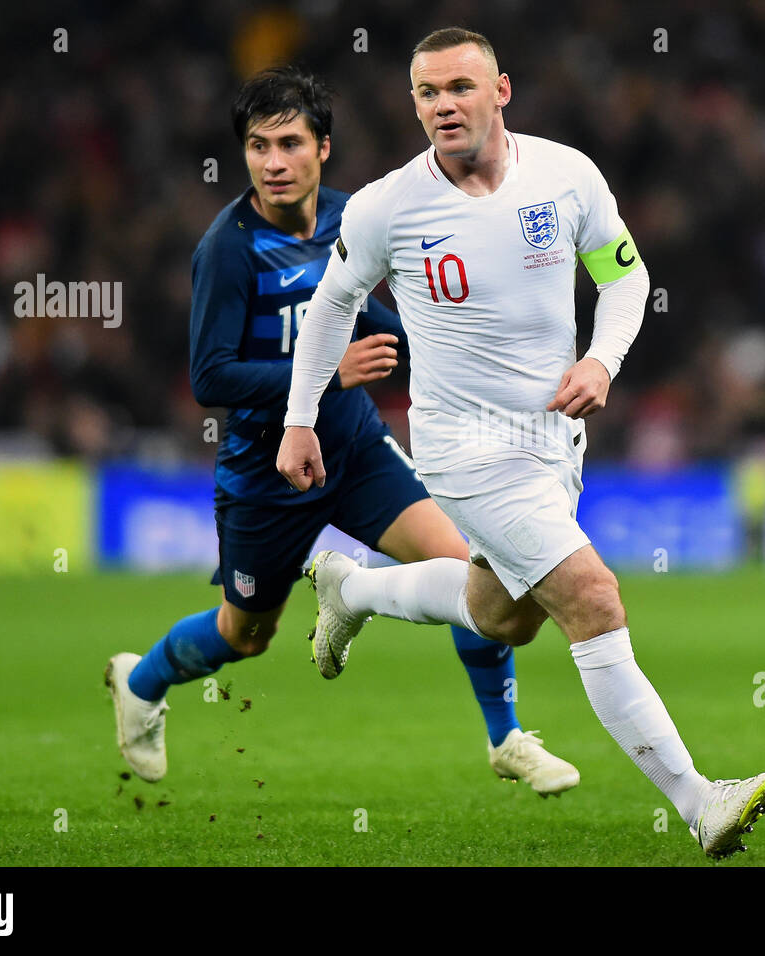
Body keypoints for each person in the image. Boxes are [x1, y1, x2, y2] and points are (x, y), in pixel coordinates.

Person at [277, 28, 765, 860]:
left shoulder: (567, 175)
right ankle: (699, 800)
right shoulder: (385, 208)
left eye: (461, 88)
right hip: (463, 446)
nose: (444, 105)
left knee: (502, 616)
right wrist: (301, 418)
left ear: (501, 91)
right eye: (428, 93)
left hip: (553, 440)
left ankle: (351, 591)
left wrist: (601, 359)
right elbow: (330, 306)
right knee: (593, 596)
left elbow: (625, 278)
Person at [104, 65, 579, 796]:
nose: (273, 162)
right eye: (259, 146)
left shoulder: (352, 216)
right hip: (268, 470)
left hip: (353, 448)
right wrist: (327, 372)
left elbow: (380, 322)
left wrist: (473, 359)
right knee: (246, 635)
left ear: (322, 147)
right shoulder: (228, 251)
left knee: (466, 562)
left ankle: (505, 736)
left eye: (289, 143)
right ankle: (142, 680)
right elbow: (211, 378)